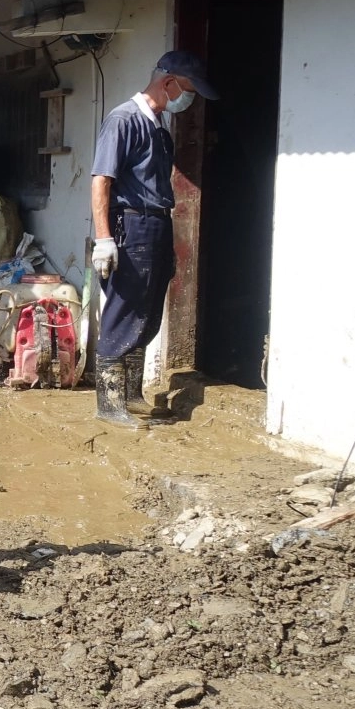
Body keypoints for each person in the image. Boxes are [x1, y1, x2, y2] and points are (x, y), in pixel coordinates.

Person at [88, 50, 216, 428]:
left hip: (157, 224)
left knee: (147, 314)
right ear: (168, 83)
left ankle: (130, 395)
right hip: (131, 225)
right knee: (124, 311)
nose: (187, 100)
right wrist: (104, 239)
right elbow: (101, 181)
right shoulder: (123, 120)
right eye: (187, 91)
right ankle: (109, 404)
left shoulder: (158, 126)